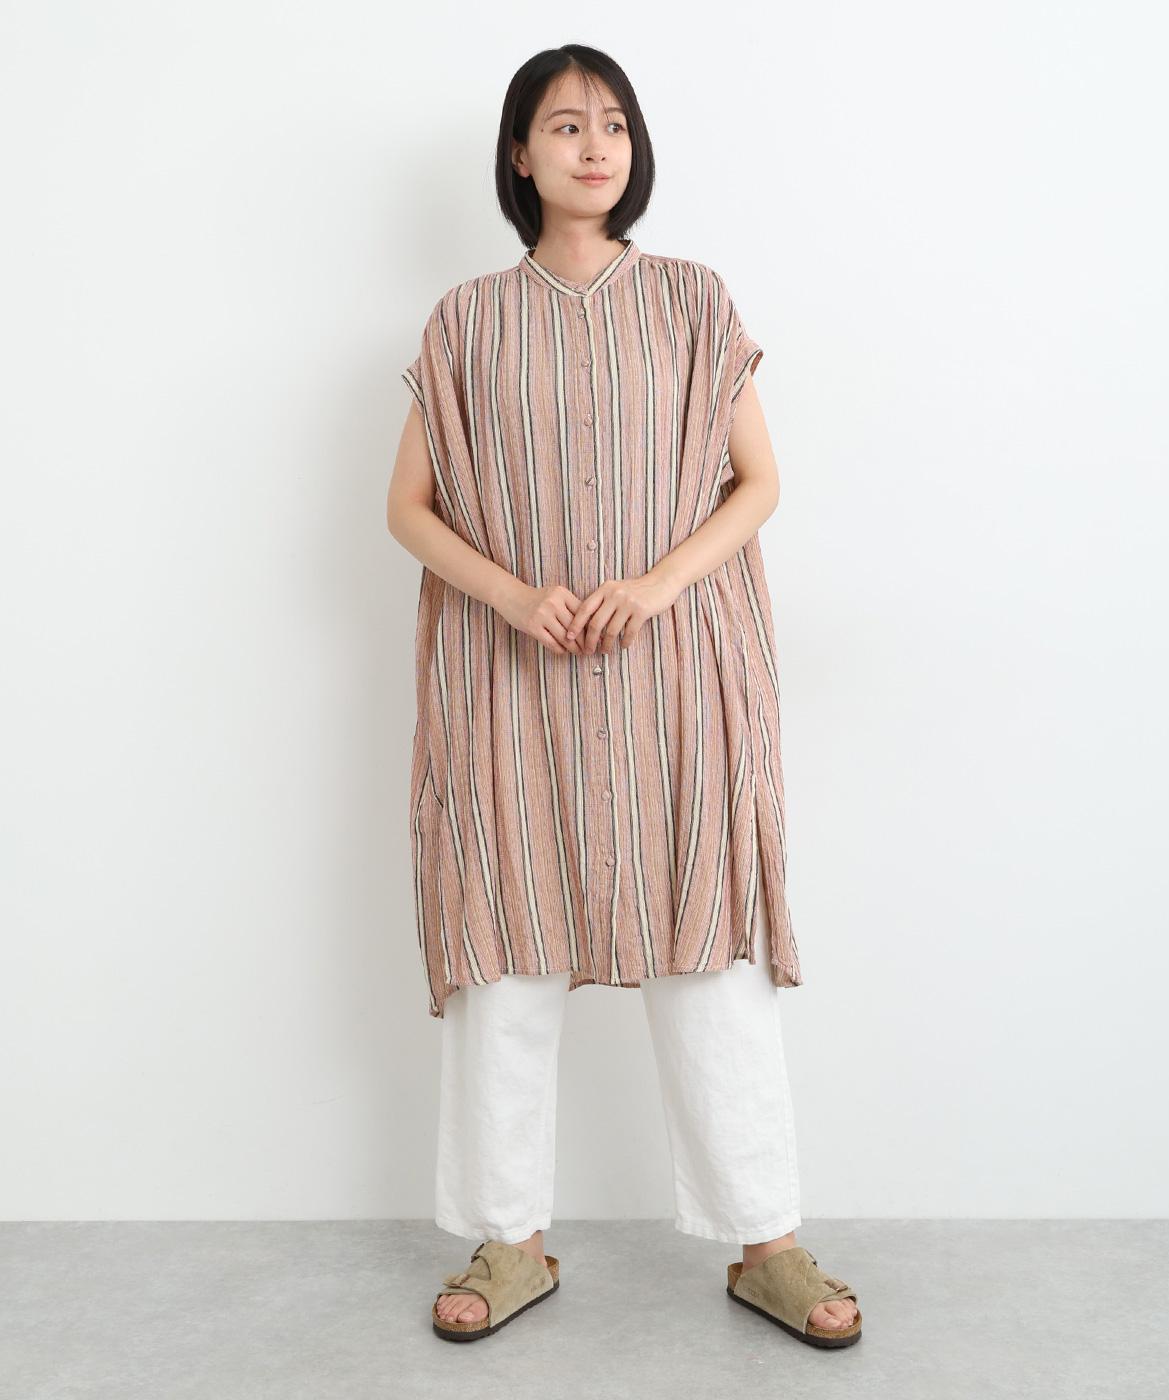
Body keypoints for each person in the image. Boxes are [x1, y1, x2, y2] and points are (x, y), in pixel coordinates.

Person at [386, 45, 862, 1349]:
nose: (594, 146)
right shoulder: (466, 321)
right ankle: (509, 1239)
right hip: (509, 678)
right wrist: (511, 595)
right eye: (563, 126)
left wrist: (653, 589)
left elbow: (758, 483)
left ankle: (767, 1244)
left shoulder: (694, 301)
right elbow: (408, 508)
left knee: (707, 952)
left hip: (679, 674)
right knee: (507, 950)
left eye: (613, 125)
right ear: (519, 155)